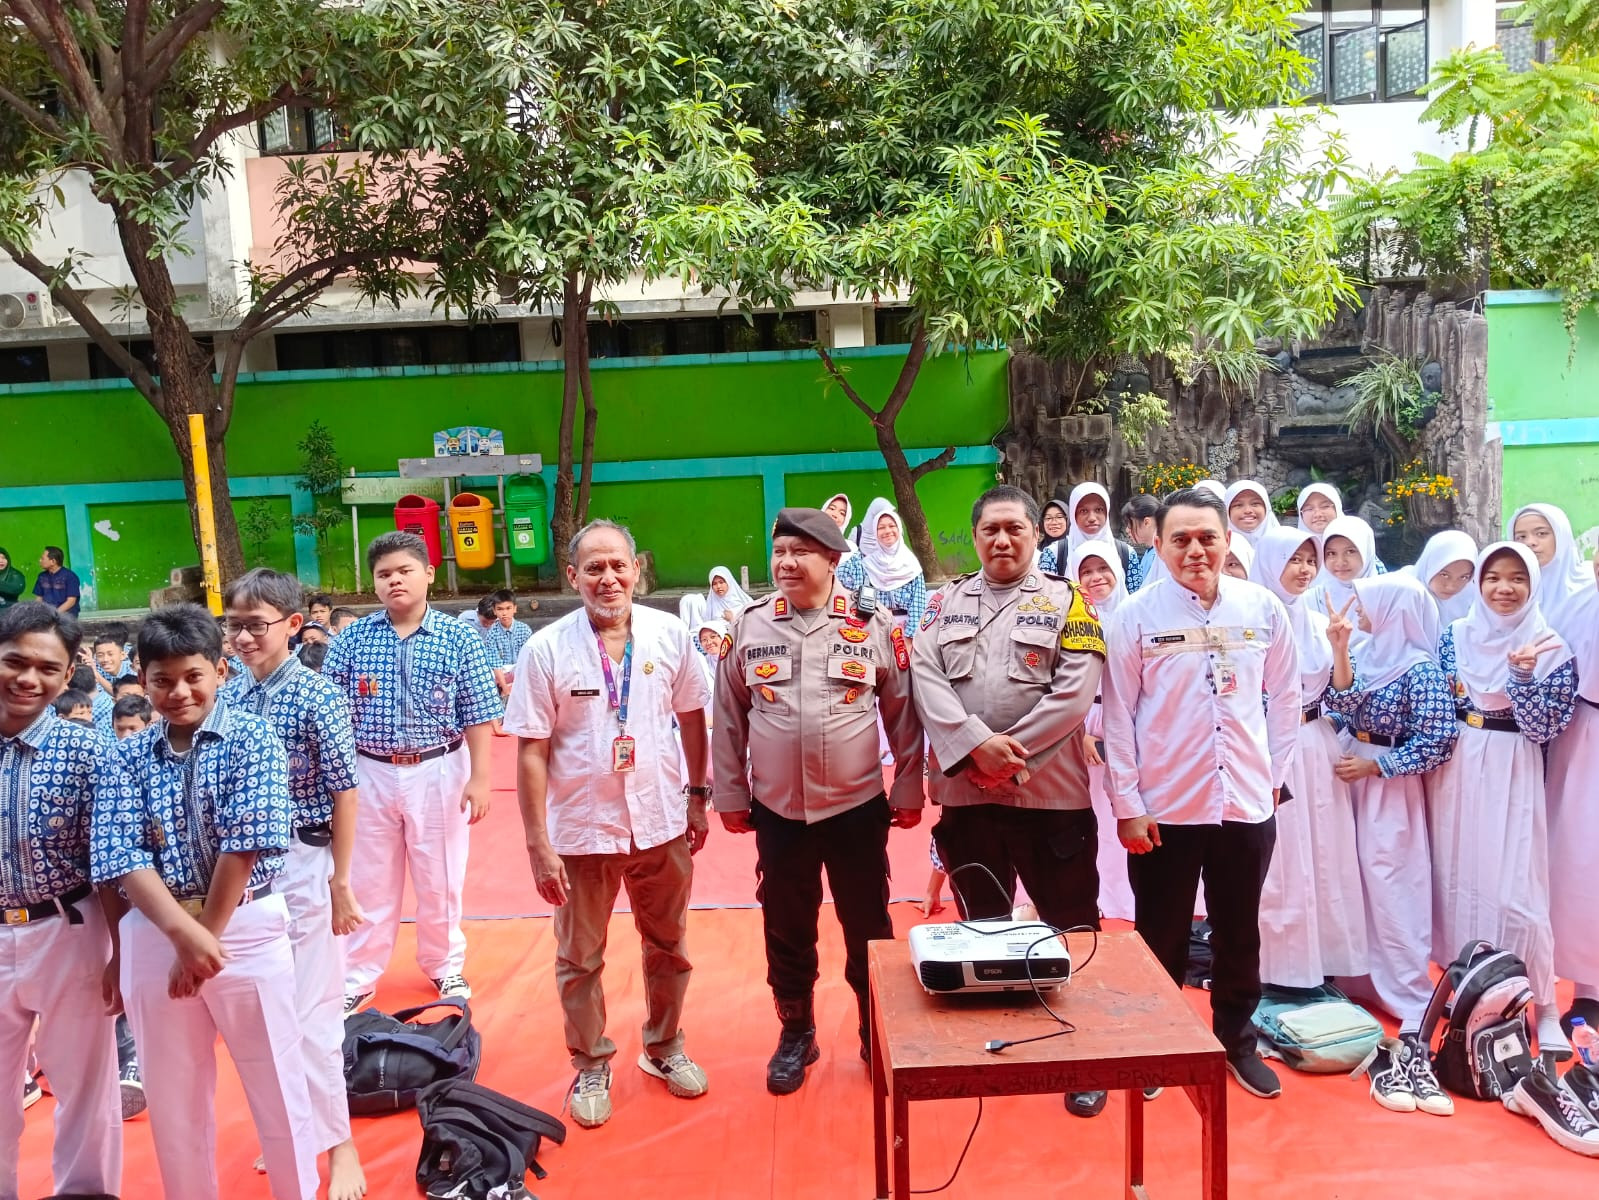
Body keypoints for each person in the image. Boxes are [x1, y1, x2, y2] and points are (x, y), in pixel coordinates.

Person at [92, 603, 318, 1200]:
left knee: (277, 1083)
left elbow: (243, 848)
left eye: (193, 676)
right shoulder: (125, 753)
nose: (179, 692)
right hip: (155, 932)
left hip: (245, 926)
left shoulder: (253, 737)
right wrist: (185, 940)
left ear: (220, 670)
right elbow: (122, 854)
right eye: (162, 680)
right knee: (173, 1096)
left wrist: (203, 941)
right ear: (143, 680)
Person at [507, 519, 712, 1129]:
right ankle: (591, 1062)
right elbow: (531, 750)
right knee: (580, 956)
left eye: (618, 565)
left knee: (669, 944)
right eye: (593, 568)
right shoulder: (546, 650)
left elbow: (694, 719)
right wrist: (537, 843)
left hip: (660, 819)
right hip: (582, 830)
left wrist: (698, 796)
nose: (608, 578)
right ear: (573, 577)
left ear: (637, 569)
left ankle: (665, 1046)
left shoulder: (671, 635)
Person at [911, 485, 1107, 1115]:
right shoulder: (944, 605)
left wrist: (1003, 755)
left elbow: (1075, 694)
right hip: (968, 799)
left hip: (1050, 799)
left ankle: (1087, 1053)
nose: (1002, 540)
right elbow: (925, 677)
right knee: (983, 928)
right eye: (990, 529)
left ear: (1036, 535)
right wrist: (974, 747)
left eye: (1014, 529)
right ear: (974, 537)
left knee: (1071, 925)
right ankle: (991, 1050)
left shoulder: (1067, 601)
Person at [714, 508, 924, 1096]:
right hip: (778, 812)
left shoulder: (874, 623)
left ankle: (873, 1030)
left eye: (800, 552)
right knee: (785, 925)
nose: (785, 563)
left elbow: (903, 713)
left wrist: (908, 786)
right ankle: (797, 1032)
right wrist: (729, 793)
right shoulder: (749, 626)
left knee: (868, 925)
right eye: (779, 551)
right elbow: (727, 718)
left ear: (833, 560)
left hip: (856, 809)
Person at [1101, 486, 1299, 1102]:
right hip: (1166, 810)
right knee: (1160, 933)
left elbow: (1287, 699)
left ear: (1228, 542)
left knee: (1239, 933)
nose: (1195, 550)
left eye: (1207, 537)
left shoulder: (1263, 608)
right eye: (1180, 539)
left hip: (1245, 805)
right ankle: (1159, 1043)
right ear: (1156, 545)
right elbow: (1118, 717)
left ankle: (1236, 1041)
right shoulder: (1134, 617)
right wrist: (1129, 807)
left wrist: (1272, 779)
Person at [225, 568, 367, 1200]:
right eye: (235, 625)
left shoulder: (317, 695)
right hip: (243, 875)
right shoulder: (228, 697)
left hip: (306, 865)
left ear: (291, 624)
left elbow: (345, 791)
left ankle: (340, 1151)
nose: (245, 637)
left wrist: (342, 880)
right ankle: (289, 1130)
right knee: (263, 1014)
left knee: (311, 1014)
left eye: (257, 625)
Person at [322, 532, 502, 1013]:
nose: (394, 580)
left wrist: (479, 777)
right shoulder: (354, 638)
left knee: (440, 872)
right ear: (374, 584)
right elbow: (332, 713)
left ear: (428, 573)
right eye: (384, 574)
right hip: (369, 769)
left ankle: (445, 967)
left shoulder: (458, 636)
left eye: (404, 570)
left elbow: (479, 710)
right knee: (368, 877)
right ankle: (358, 974)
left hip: (439, 767)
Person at [1432, 542, 1577, 1061]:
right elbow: (1447, 703)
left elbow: (1544, 728)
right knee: (1462, 881)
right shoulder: (1455, 636)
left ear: (1534, 584)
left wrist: (1519, 677)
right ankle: (1474, 995)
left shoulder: (1551, 646)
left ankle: (1543, 1009)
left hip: (1515, 766)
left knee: (1520, 894)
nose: (1504, 588)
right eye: (1494, 577)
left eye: (1517, 578)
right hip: (1461, 764)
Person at [0, 602, 126, 1200]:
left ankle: (85, 1191)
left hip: (70, 928)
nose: (29, 679)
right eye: (14, 662)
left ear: (68, 670)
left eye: (46, 669)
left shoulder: (89, 752)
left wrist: (119, 955)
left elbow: (112, 860)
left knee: (83, 1082)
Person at [1322, 572, 1456, 1114]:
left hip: (1386, 789)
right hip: (1352, 773)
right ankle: (1359, 977)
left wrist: (1380, 765)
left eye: (1368, 603)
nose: (1360, 611)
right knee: (1352, 877)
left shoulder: (1420, 669)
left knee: (1390, 879)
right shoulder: (1373, 653)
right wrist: (1340, 649)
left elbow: (1439, 737)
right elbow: (1343, 696)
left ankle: (1404, 987)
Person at [1248, 530, 1367, 992]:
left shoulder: (1321, 620)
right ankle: (1276, 965)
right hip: (1267, 745)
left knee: (1325, 852)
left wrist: (1339, 647)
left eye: (1308, 560)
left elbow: (1344, 692)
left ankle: (1324, 961)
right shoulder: (1251, 620)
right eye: (1292, 559)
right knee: (1280, 856)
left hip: (1316, 742)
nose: (1303, 569)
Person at [1517, 505, 1599, 1034]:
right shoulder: (1576, 606)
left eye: (1543, 533)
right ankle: (1587, 988)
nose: (1534, 543)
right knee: (1578, 862)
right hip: (1580, 740)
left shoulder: (1571, 594)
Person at [1065, 541, 1134, 924]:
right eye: (1086, 571)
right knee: (1082, 812)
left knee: (1117, 811)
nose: (1096, 578)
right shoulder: (1068, 620)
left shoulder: (1134, 617)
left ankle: (1121, 895)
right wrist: (1079, 733)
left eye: (1102, 569)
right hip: (1079, 723)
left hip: (1123, 722)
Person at [837, 498, 929, 635]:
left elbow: (918, 606)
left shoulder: (911, 565)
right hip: (872, 633)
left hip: (905, 633)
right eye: (881, 527)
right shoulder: (865, 564)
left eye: (892, 526)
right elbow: (838, 578)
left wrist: (909, 639)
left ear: (899, 529)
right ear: (875, 532)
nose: (887, 531)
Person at [1405, 530, 1478, 625]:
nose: (1451, 586)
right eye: (1444, 575)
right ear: (1428, 566)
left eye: (1463, 577)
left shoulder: (1472, 597)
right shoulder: (1403, 594)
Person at [1120, 494, 1162, 592]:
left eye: (1130, 524)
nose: (1127, 530)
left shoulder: (1160, 554)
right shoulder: (1150, 551)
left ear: (1146, 522)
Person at [1224, 480, 1279, 547]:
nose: (1247, 510)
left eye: (1255, 504)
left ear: (1266, 509)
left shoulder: (1283, 546)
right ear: (1227, 511)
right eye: (1238, 505)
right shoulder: (1219, 549)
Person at [32, 548, 80, 614]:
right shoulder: (42, 576)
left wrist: (55, 614)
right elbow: (39, 598)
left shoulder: (70, 577)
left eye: (42, 558)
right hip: (48, 615)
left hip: (66, 616)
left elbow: (71, 601)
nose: (40, 561)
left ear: (53, 561)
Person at [92, 632, 136, 697]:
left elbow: (123, 696)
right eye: (100, 655)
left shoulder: (133, 671)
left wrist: (98, 677)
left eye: (110, 654)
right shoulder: (97, 668)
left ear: (122, 655)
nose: (105, 659)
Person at [822, 492, 859, 560]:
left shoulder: (850, 551)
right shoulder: (806, 537)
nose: (835, 514)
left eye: (842, 513)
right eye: (832, 508)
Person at [1038, 499, 1071, 569]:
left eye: (1059, 517)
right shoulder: (1036, 551)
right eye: (1048, 518)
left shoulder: (1074, 548)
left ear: (1067, 519)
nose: (1054, 522)